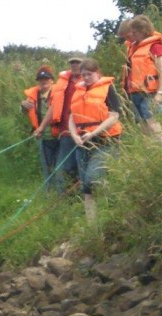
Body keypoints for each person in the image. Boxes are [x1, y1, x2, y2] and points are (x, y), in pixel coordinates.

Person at [68, 59, 123, 223]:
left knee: (93, 178)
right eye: (83, 75)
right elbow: (72, 117)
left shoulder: (107, 88)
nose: (85, 77)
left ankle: (114, 209)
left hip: (105, 141)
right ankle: (91, 224)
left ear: (98, 73)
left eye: (89, 74)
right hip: (82, 142)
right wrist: (74, 136)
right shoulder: (79, 90)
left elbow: (115, 115)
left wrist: (94, 133)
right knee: (86, 186)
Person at [45, 57, 84, 191]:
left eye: (77, 62)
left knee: (82, 166)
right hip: (65, 132)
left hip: (84, 132)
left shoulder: (90, 81)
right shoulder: (61, 84)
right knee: (63, 167)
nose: (74, 65)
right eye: (72, 63)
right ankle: (63, 199)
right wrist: (41, 127)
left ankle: (82, 197)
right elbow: (53, 107)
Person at [123, 15, 162, 138]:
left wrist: (160, 93)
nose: (132, 35)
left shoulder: (155, 46)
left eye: (135, 32)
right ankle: (152, 153)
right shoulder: (134, 48)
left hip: (150, 92)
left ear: (143, 31)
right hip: (135, 92)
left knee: (152, 122)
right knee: (143, 126)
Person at [21, 65, 59, 191]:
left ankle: (62, 192)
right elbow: (25, 112)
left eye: (46, 79)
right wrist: (23, 106)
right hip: (43, 138)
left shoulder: (59, 93)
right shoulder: (32, 96)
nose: (44, 82)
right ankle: (50, 192)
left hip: (60, 136)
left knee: (61, 166)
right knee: (47, 167)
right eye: (41, 79)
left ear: (52, 80)